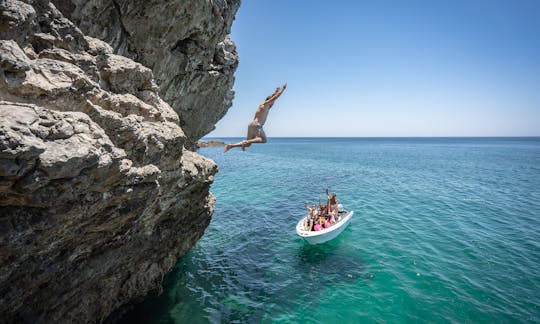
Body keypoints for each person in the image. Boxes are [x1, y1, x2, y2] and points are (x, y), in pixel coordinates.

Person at [224, 83, 287, 152]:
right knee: (263, 140)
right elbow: (274, 98)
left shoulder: (262, 105)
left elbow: (273, 97)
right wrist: (282, 90)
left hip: (251, 125)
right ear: (270, 101)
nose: (273, 103)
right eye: (273, 102)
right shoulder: (266, 104)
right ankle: (245, 142)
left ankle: (231, 146)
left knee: (248, 144)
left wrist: (276, 92)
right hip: (257, 125)